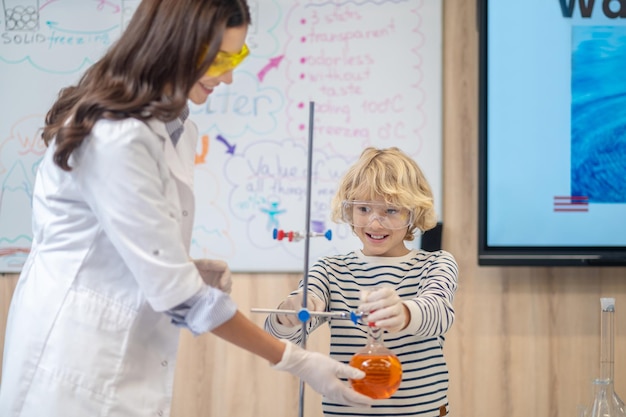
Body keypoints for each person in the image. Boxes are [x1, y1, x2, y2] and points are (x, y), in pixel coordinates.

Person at [0, 1, 374, 416]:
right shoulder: (116, 136)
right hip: (74, 358)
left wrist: (184, 266)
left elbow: (126, 243)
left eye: (238, 57)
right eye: (220, 59)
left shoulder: (174, 128)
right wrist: (297, 360)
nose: (228, 77)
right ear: (174, 44)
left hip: (123, 353)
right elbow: (179, 296)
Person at [265, 147, 459, 417]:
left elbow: (438, 313)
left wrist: (402, 313)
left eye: (391, 210)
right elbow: (286, 335)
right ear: (348, 210)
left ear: (413, 213)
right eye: (364, 208)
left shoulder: (435, 264)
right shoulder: (330, 269)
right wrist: (291, 312)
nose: (375, 223)